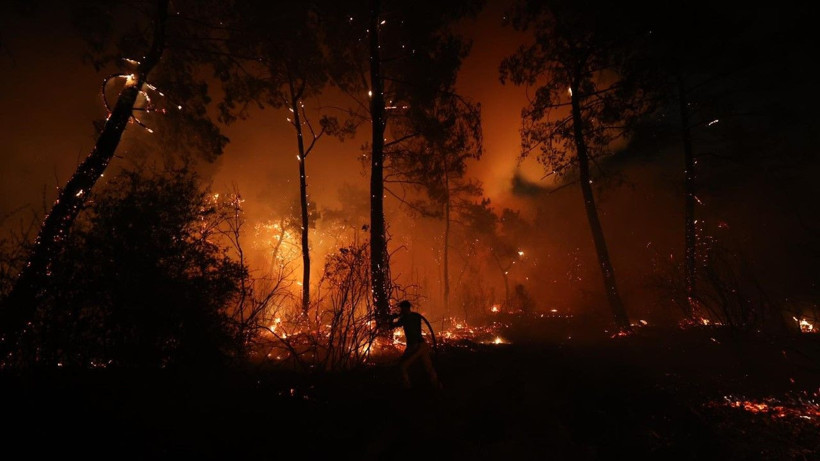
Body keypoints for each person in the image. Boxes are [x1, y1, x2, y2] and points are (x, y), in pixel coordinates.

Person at [387, 300, 442, 390]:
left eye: (401, 308)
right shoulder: (417, 316)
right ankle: (437, 386)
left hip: (414, 347)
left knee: (402, 367)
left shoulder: (405, 318)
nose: (401, 310)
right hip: (423, 345)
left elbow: (391, 326)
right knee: (429, 368)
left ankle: (408, 389)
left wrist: (393, 317)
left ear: (405, 308)